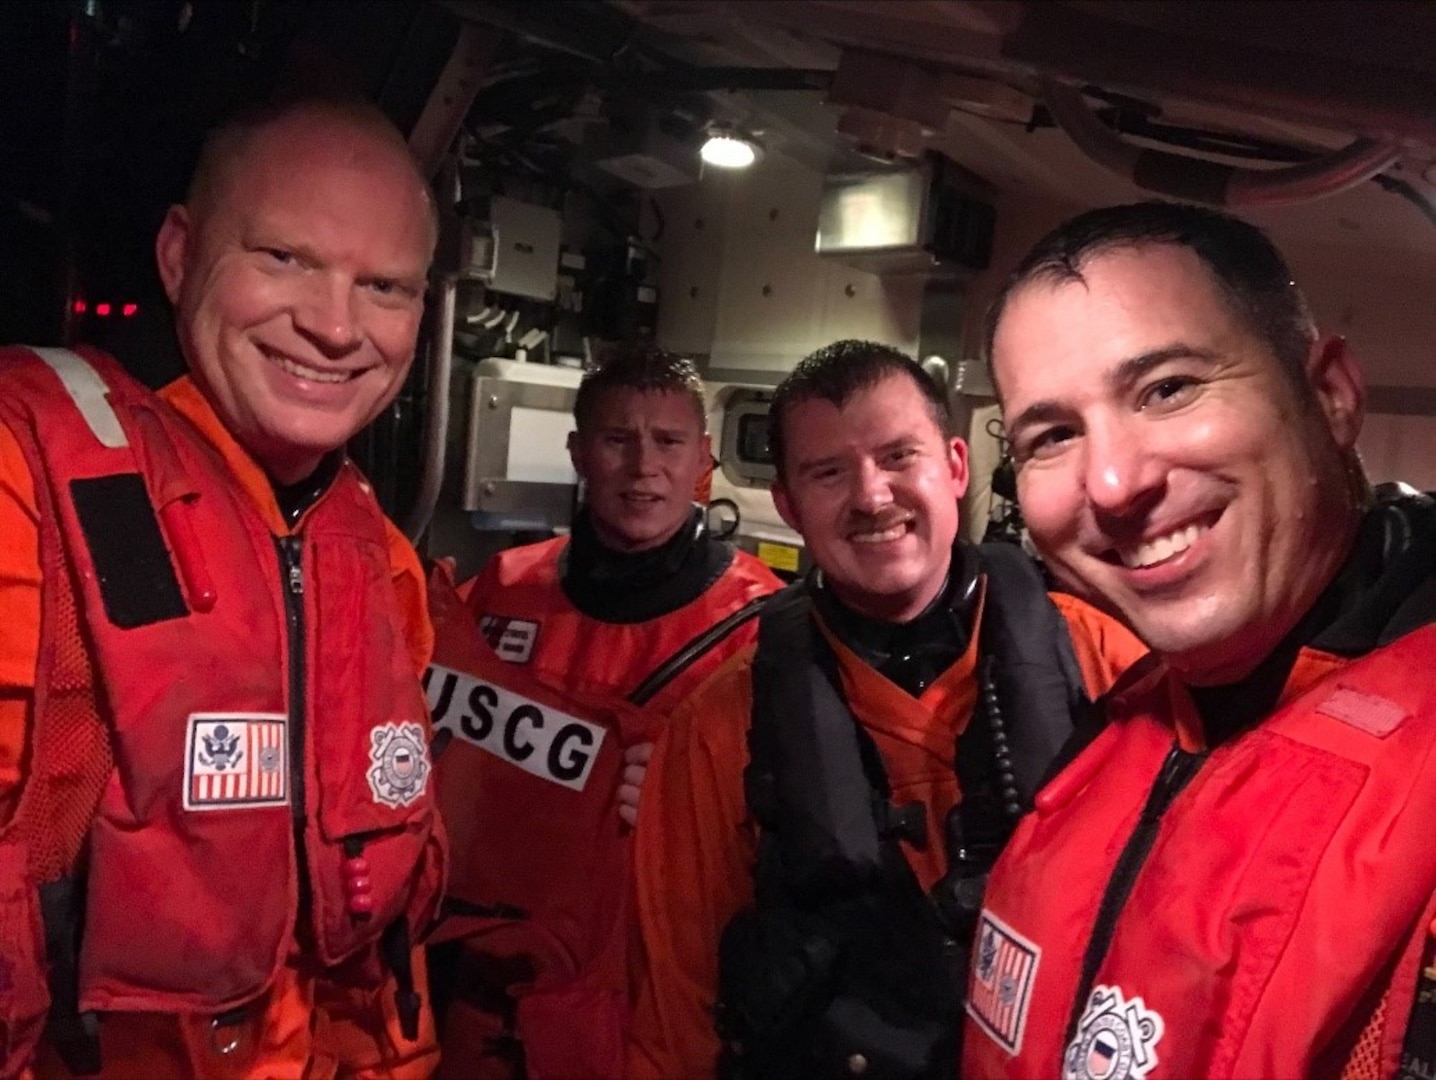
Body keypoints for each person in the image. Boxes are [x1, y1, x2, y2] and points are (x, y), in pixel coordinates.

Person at [0, 96, 447, 1078]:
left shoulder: (381, 558)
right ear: (178, 255)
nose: (334, 327)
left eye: (383, 286)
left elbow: (373, 971)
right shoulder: (26, 470)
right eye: (284, 259)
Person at [965, 201, 1436, 1080]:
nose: (1111, 484)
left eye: (1168, 389)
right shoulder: (1111, 739)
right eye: (1052, 435)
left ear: (1330, 395)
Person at [624, 340, 1145, 1079]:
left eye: (900, 457)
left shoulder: (1104, 666)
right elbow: (671, 1026)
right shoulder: (721, 727)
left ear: (957, 468)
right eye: (829, 472)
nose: (872, 496)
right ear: (788, 506)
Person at [423, 345, 783, 1080]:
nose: (643, 465)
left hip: (648, 994)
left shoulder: (764, 628)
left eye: (669, 442)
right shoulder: (501, 590)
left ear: (704, 461)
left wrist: (690, 800)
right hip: (485, 978)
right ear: (579, 453)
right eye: (618, 440)